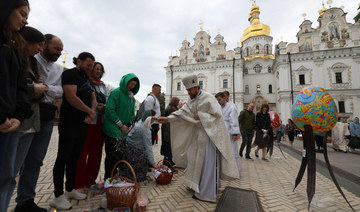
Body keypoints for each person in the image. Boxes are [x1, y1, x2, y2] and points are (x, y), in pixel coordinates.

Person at [158, 75, 239, 203]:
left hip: (209, 138)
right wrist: (167, 119)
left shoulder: (208, 98)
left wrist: (200, 115)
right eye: (187, 90)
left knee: (208, 166)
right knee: (195, 163)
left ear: (196, 87)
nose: (189, 92)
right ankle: (196, 185)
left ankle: (207, 193)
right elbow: (182, 114)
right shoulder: (191, 100)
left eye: (190, 90)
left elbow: (217, 116)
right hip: (197, 138)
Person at [14, 33, 64, 212]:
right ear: (43, 46)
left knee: (36, 160)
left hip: (47, 116)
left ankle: (25, 201)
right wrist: (42, 90)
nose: (59, 53)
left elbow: (60, 91)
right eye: (56, 48)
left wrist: (45, 88)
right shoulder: (30, 59)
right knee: (17, 160)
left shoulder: (58, 69)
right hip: (29, 113)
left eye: (61, 50)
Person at [1, 25, 45, 212]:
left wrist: (38, 90)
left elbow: (41, 92)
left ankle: (20, 202)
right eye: (38, 44)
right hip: (13, 123)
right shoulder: (12, 57)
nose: (40, 49)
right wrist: (34, 89)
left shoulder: (31, 64)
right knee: (7, 175)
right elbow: (15, 89)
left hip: (27, 121)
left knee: (12, 174)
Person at [50, 52, 96, 210]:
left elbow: (93, 97)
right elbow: (71, 97)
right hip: (69, 123)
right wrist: (89, 111)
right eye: (88, 65)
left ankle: (70, 189)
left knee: (75, 157)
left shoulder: (86, 78)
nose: (90, 68)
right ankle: (57, 195)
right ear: (79, 61)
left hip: (83, 124)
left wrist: (92, 111)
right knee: (63, 157)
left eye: (92, 66)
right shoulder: (70, 74)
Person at [0, 1, 32, 212]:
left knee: (6, 177)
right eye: (21, 13)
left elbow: (20, 89)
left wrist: (19, 116)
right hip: (4, 120)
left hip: (9, 125)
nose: (24, 20)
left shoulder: (15, 49)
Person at [75, 62, 107, 190]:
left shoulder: (103, 86)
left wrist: (104, 107)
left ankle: (90, 179)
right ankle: (79, 181)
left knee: (96, 152)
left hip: (100, 121)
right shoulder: (86, 82)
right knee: (83, 152)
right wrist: (92, 107)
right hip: (88, 120)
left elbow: (106, 100)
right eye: (96, 68)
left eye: (100, 69)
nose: (98, 71)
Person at [102, 73, 139, 180]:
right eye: (130, 83)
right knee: (111, 157)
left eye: (134, 85)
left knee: (120, 156)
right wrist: (121, 125)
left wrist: (128, 126)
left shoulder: (131, 97)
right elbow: (110, 110)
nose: (131, 86)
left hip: (123, 132)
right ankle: (108, 179)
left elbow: (132, 114)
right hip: (112, 130)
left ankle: (115, 177)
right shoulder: (116, 93)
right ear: (125, 82)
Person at [123, 110, 159, 182]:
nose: (154, 120)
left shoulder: (141, 122)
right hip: (131, 149)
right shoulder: (145, 129)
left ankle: (130, 174)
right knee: (143, 160)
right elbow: (148, 147)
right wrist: (153, 163)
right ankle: (136, 177)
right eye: (153, 118)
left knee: (144, 157)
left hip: (128, 146)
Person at [215, 92, 240, 171]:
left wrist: (235, 133)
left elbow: (234, 121)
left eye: (219, 100)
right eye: (217, 100)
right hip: (220, 131)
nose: (218, 102)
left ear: (224, 98)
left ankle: (234, 169)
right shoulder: (219, 107)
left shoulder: (231, 107)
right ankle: (224, 169)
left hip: (229, 131)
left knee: (232, 150)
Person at [161, 97, 180, 166]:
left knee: (167, 146)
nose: (178, 103)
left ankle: (167, 162)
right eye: (177, 102)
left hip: (166, 128)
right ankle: (169, 163)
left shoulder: (170, 107)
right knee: (169, 146)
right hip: (168, 129)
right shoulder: (172, 108)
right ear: (175, 102)